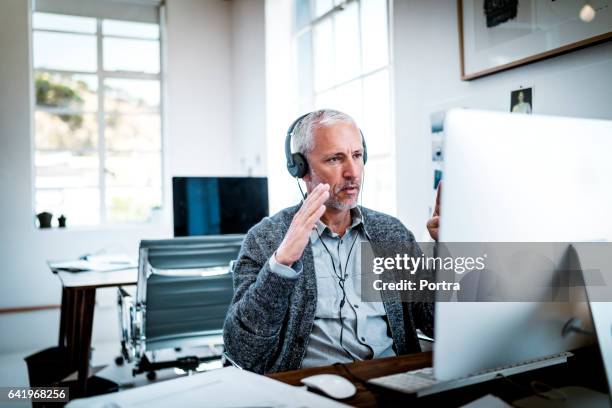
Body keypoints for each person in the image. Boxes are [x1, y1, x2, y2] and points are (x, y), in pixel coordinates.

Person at [223, 109, 435, 374]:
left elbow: (434, 323)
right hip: (309, 392)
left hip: (395, 382)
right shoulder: (266, 238)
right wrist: (281, 263)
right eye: (335, 159)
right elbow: (242, 351)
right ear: (301, 169)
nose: (352, 173)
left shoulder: (391, 233)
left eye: (357, 156)